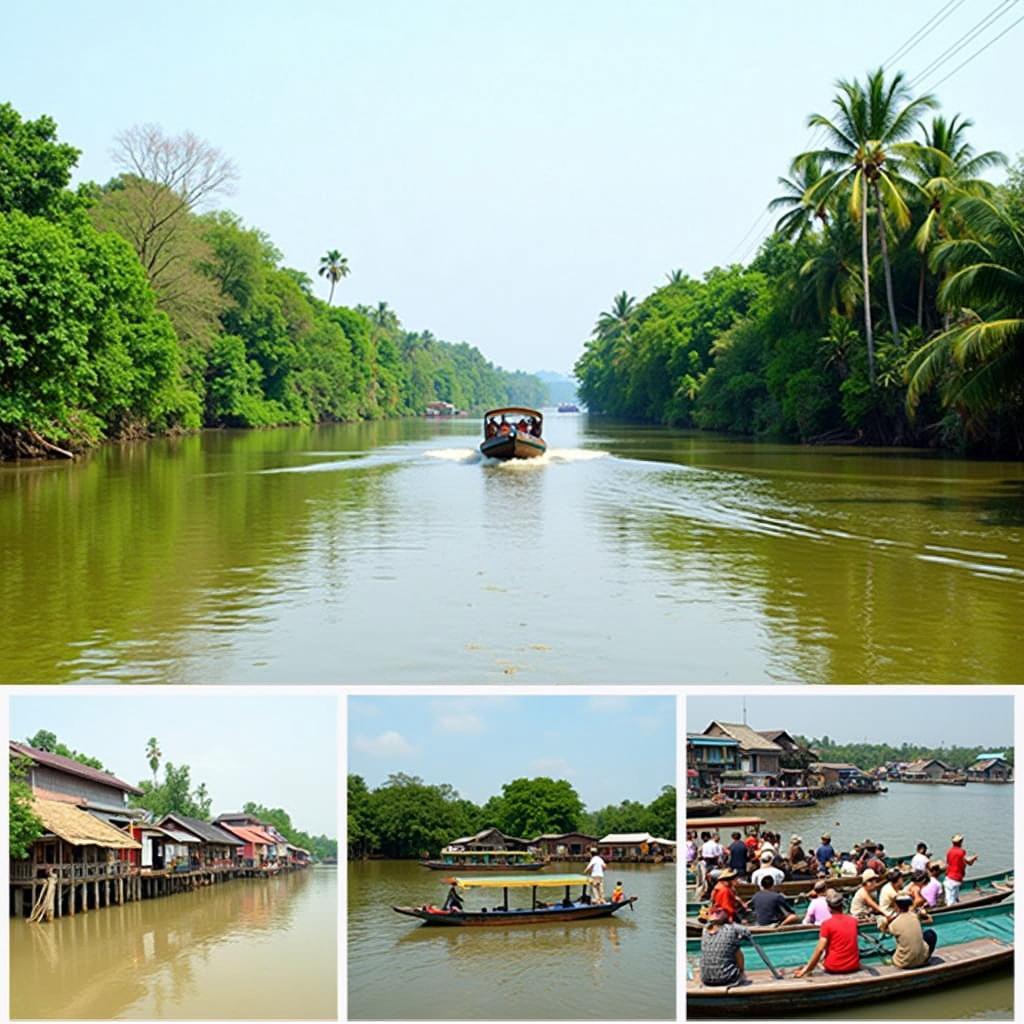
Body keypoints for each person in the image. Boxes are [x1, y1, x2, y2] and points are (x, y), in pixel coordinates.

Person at [793, 890, 860, 977]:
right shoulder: (853, 921)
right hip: (853, 966)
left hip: (834, 968)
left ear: (828, 907)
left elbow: (820, 949)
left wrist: (807, 970)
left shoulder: (826, 924)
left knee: (817, 964)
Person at [881, 891, 936, 968]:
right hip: (921, 959)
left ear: (897, 906)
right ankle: (925, 959)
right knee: (930, 934)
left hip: (903, 963)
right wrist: (924, 914)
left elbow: (884, 930)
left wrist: (887, 921)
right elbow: (930, 920)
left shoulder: (894, 923)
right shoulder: (915, 916)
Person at [699, 908, 750, 987]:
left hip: (706, 980)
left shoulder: (705, 930)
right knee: (737, 952)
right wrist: (741, 972)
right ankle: (741, 975)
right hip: (727, 979)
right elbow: (746, 932)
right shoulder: (731, 930)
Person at [944, 834, 977, 905]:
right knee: (952, 901)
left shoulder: (949, 852)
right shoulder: (961, 852)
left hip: (950, 877)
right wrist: (974, 859)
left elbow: (950, 863)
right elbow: (968, 862)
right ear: (961, 842)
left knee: (951, 899)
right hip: (957, 878)